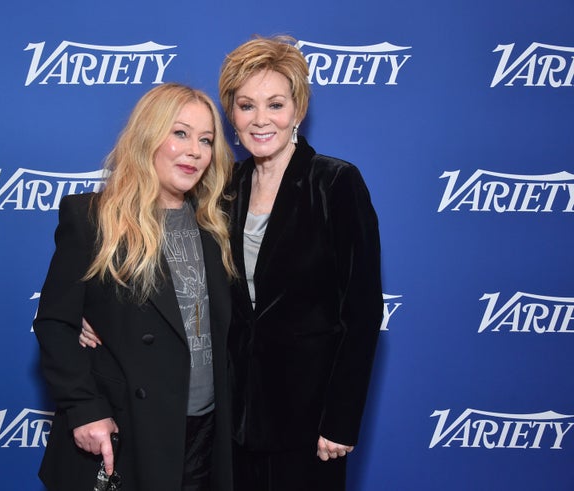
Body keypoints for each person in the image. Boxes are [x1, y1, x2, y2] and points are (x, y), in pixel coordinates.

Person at [33, 83, 237, 491]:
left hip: (207, 433)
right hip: (128, 430)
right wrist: (84, 408)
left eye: (206, 140)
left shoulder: (217, 223)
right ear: (148, 136)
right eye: (179, 133)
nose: (195, 150)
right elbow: (55, 322)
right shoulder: (94, 218)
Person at [218, 35, 383, 490]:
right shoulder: (224, 189)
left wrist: (342, 420)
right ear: (232, 115)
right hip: (235, 420)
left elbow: (363, 310)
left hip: (311, 422)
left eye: (275, 104)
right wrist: (101, 316)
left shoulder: (336, 183)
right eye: (246, 105)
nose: (260, 119)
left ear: (298, 109)